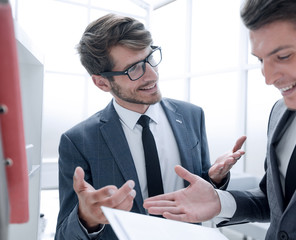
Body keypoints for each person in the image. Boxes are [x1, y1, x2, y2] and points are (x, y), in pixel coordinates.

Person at [144, 0, 296, 239]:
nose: (268, 78)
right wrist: (219, 201)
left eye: (283, 56)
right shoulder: (280, 112)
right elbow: (279, 205)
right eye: (260, 60)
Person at [55, 14, 246, 240]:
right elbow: (64, 235)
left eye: (150, 58)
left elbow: (200, 192)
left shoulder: (192, 115)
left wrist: (214, 180)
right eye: (134, 69)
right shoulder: (79, 141)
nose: (153, 75)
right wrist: (86, 218)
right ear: (102, 82)